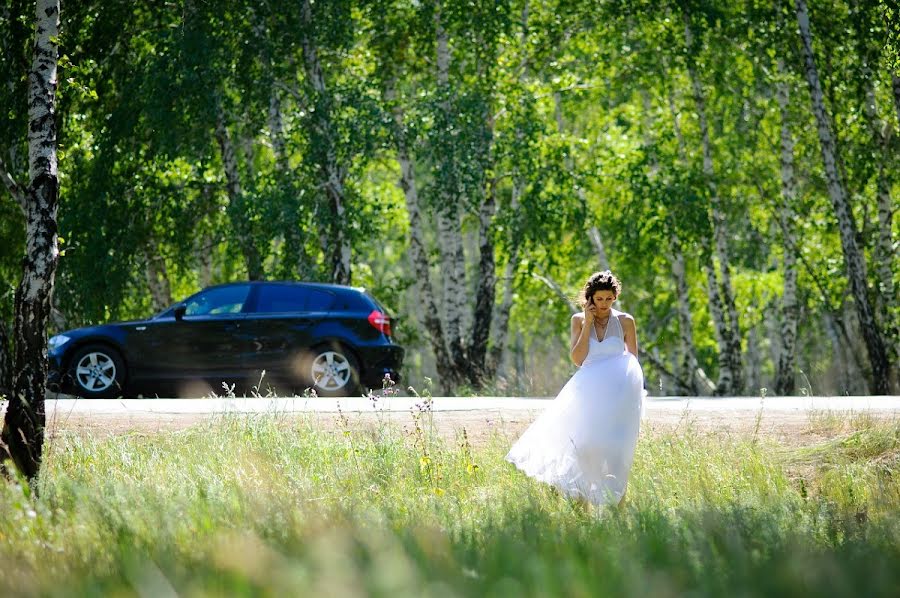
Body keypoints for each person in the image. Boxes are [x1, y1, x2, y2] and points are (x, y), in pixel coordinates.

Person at [506, 270, 644, 507]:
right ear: (590, 298)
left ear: (615, 297)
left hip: (617, 396)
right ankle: (582, 506)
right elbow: (578, 359)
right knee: (584, 448)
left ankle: (618, 509)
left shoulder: (625, 321)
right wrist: (589, 323)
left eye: (608, 299)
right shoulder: (578, 320)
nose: (604, 304)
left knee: (615, 453)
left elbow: (633, 363)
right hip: (588, 393)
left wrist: (632, 400)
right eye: (599, 299)